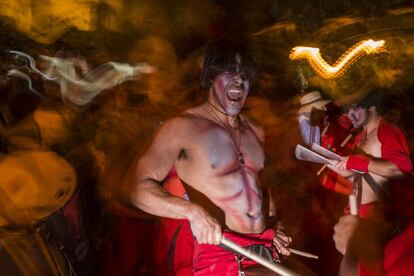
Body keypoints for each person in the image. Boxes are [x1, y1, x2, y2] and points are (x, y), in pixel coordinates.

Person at [129, 39, 292, 275]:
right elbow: (137, 189)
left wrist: (275, 226)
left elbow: (261, 188)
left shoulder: (256, 131)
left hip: (261, 249)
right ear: (210, 77)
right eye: (230, 72)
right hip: (220, 254)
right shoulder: (182, 127)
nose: (239, 81)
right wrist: (192, 213)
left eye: (245, 75)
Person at [327, 89, 413, 275]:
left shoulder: (388, 130)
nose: (350, 115)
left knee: (356, 270)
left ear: (371, 106)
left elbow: (399, 169)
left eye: (354, 109)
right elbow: (364, 175)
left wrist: (355, 161)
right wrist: (339, 167)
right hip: (360, 214)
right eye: (347, 111)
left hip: (377, 216)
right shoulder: (360, 136)